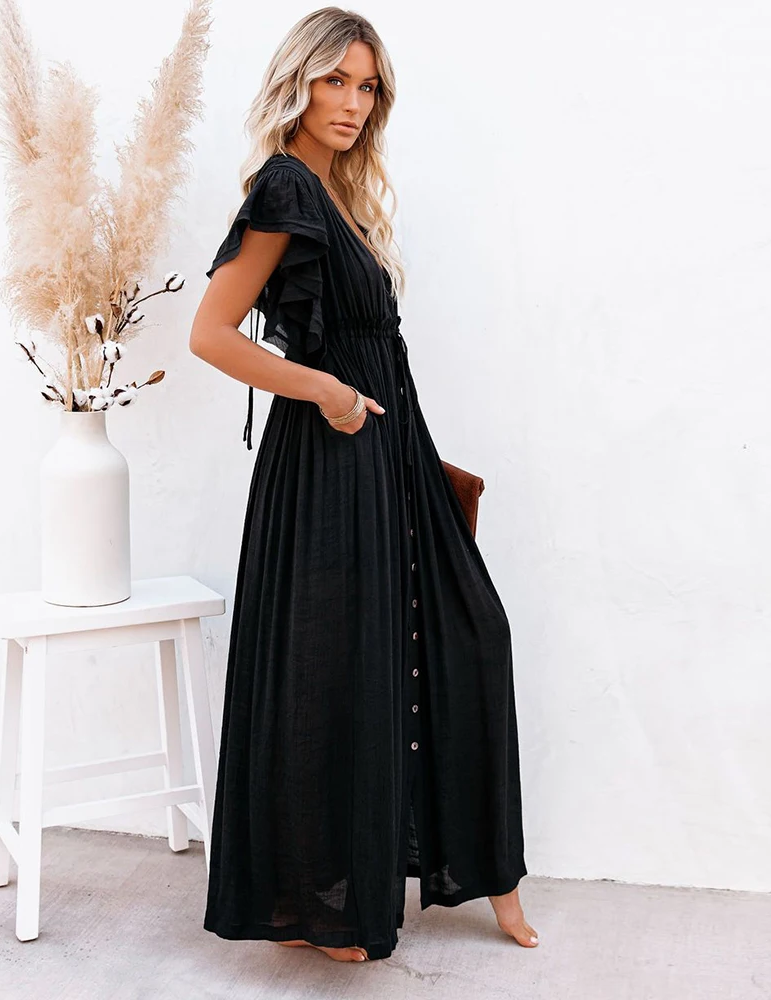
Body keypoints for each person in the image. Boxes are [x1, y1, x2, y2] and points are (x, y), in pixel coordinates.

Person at [189, 8, 537, 963]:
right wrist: (328, 393)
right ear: (297, 82)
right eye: (335, 80)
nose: (351, 102)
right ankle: (322, 904)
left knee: (471, 631)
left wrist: (416, 462)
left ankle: (467, 877)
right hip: (329, 462)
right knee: (333, 669)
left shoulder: (339, 193)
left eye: (367, 85)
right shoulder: (285, 187)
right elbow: (209, 335)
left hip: (390, 457)